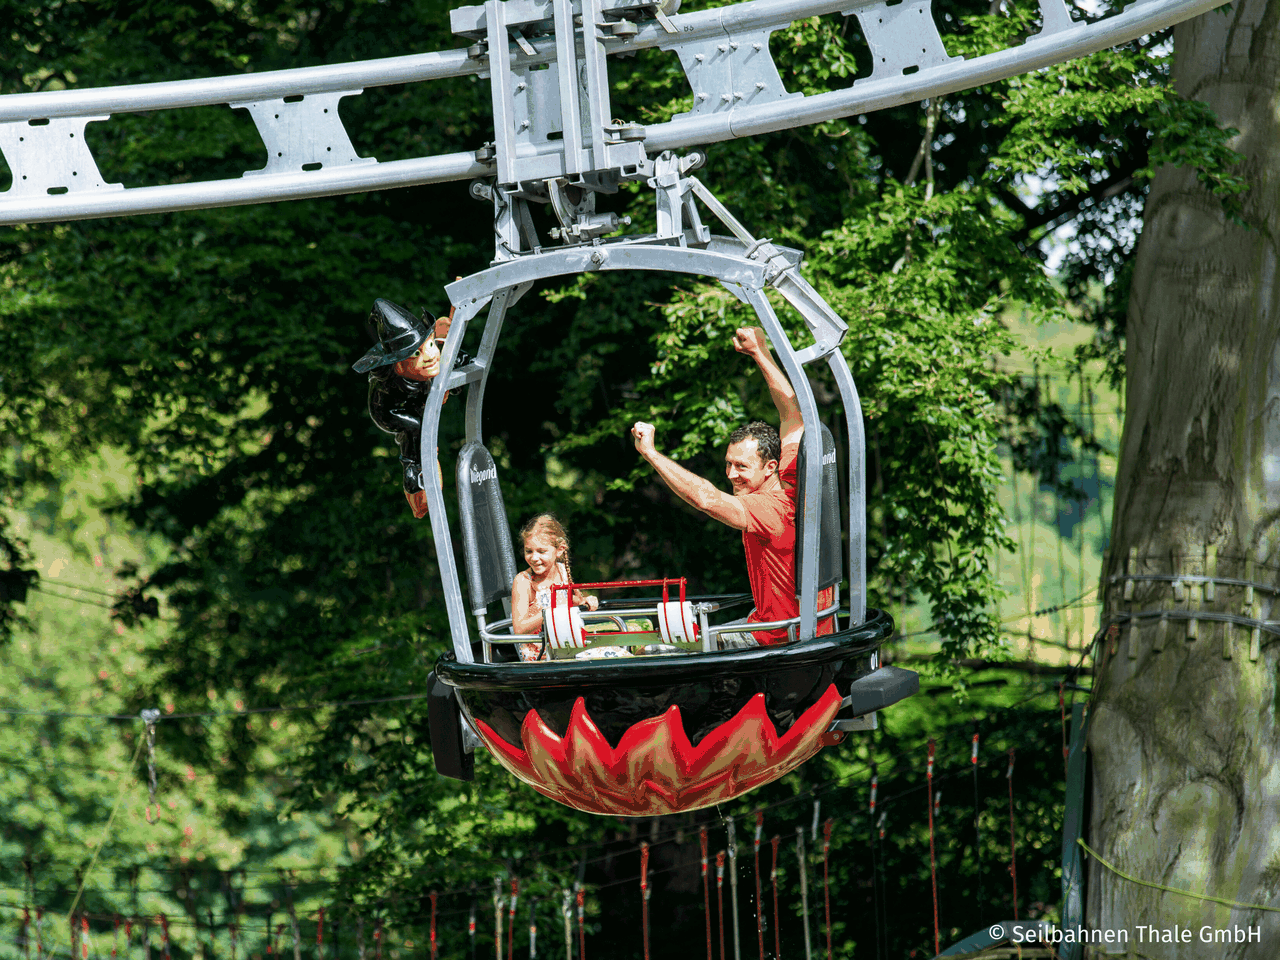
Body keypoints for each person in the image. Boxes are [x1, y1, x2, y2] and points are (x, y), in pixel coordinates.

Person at [630, 326, 805, 646]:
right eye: (729, 464)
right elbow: (792, 413)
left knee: (663, 651)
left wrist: (651, 454)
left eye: (742, 467)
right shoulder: (790, 479)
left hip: (773, 636)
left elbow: (706, 499)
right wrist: (759, 351)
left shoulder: (769, 508)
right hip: (769, 623)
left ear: (769, 468)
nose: (732, 474)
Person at [352, 298, 465, 519]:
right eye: (416, 354)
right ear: (399, 364)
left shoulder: (423, 370)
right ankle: (413, 468)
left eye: (430, 345)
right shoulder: (395, 379)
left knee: (424, 421)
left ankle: (420, 461)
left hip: (412, 401)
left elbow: (444, 351)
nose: (431, 355)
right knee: (416, 427)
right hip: (389, 411)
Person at [510, 514, 600, 662]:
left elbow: (573, 599)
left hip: (566, 643)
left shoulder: (561, 569)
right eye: (529, 551)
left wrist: (586, 600)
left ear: (559, 550)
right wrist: (551, 612)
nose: (534, 557)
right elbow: (519, 628)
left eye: (541, 551)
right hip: (541, 653)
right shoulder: (523, 581)